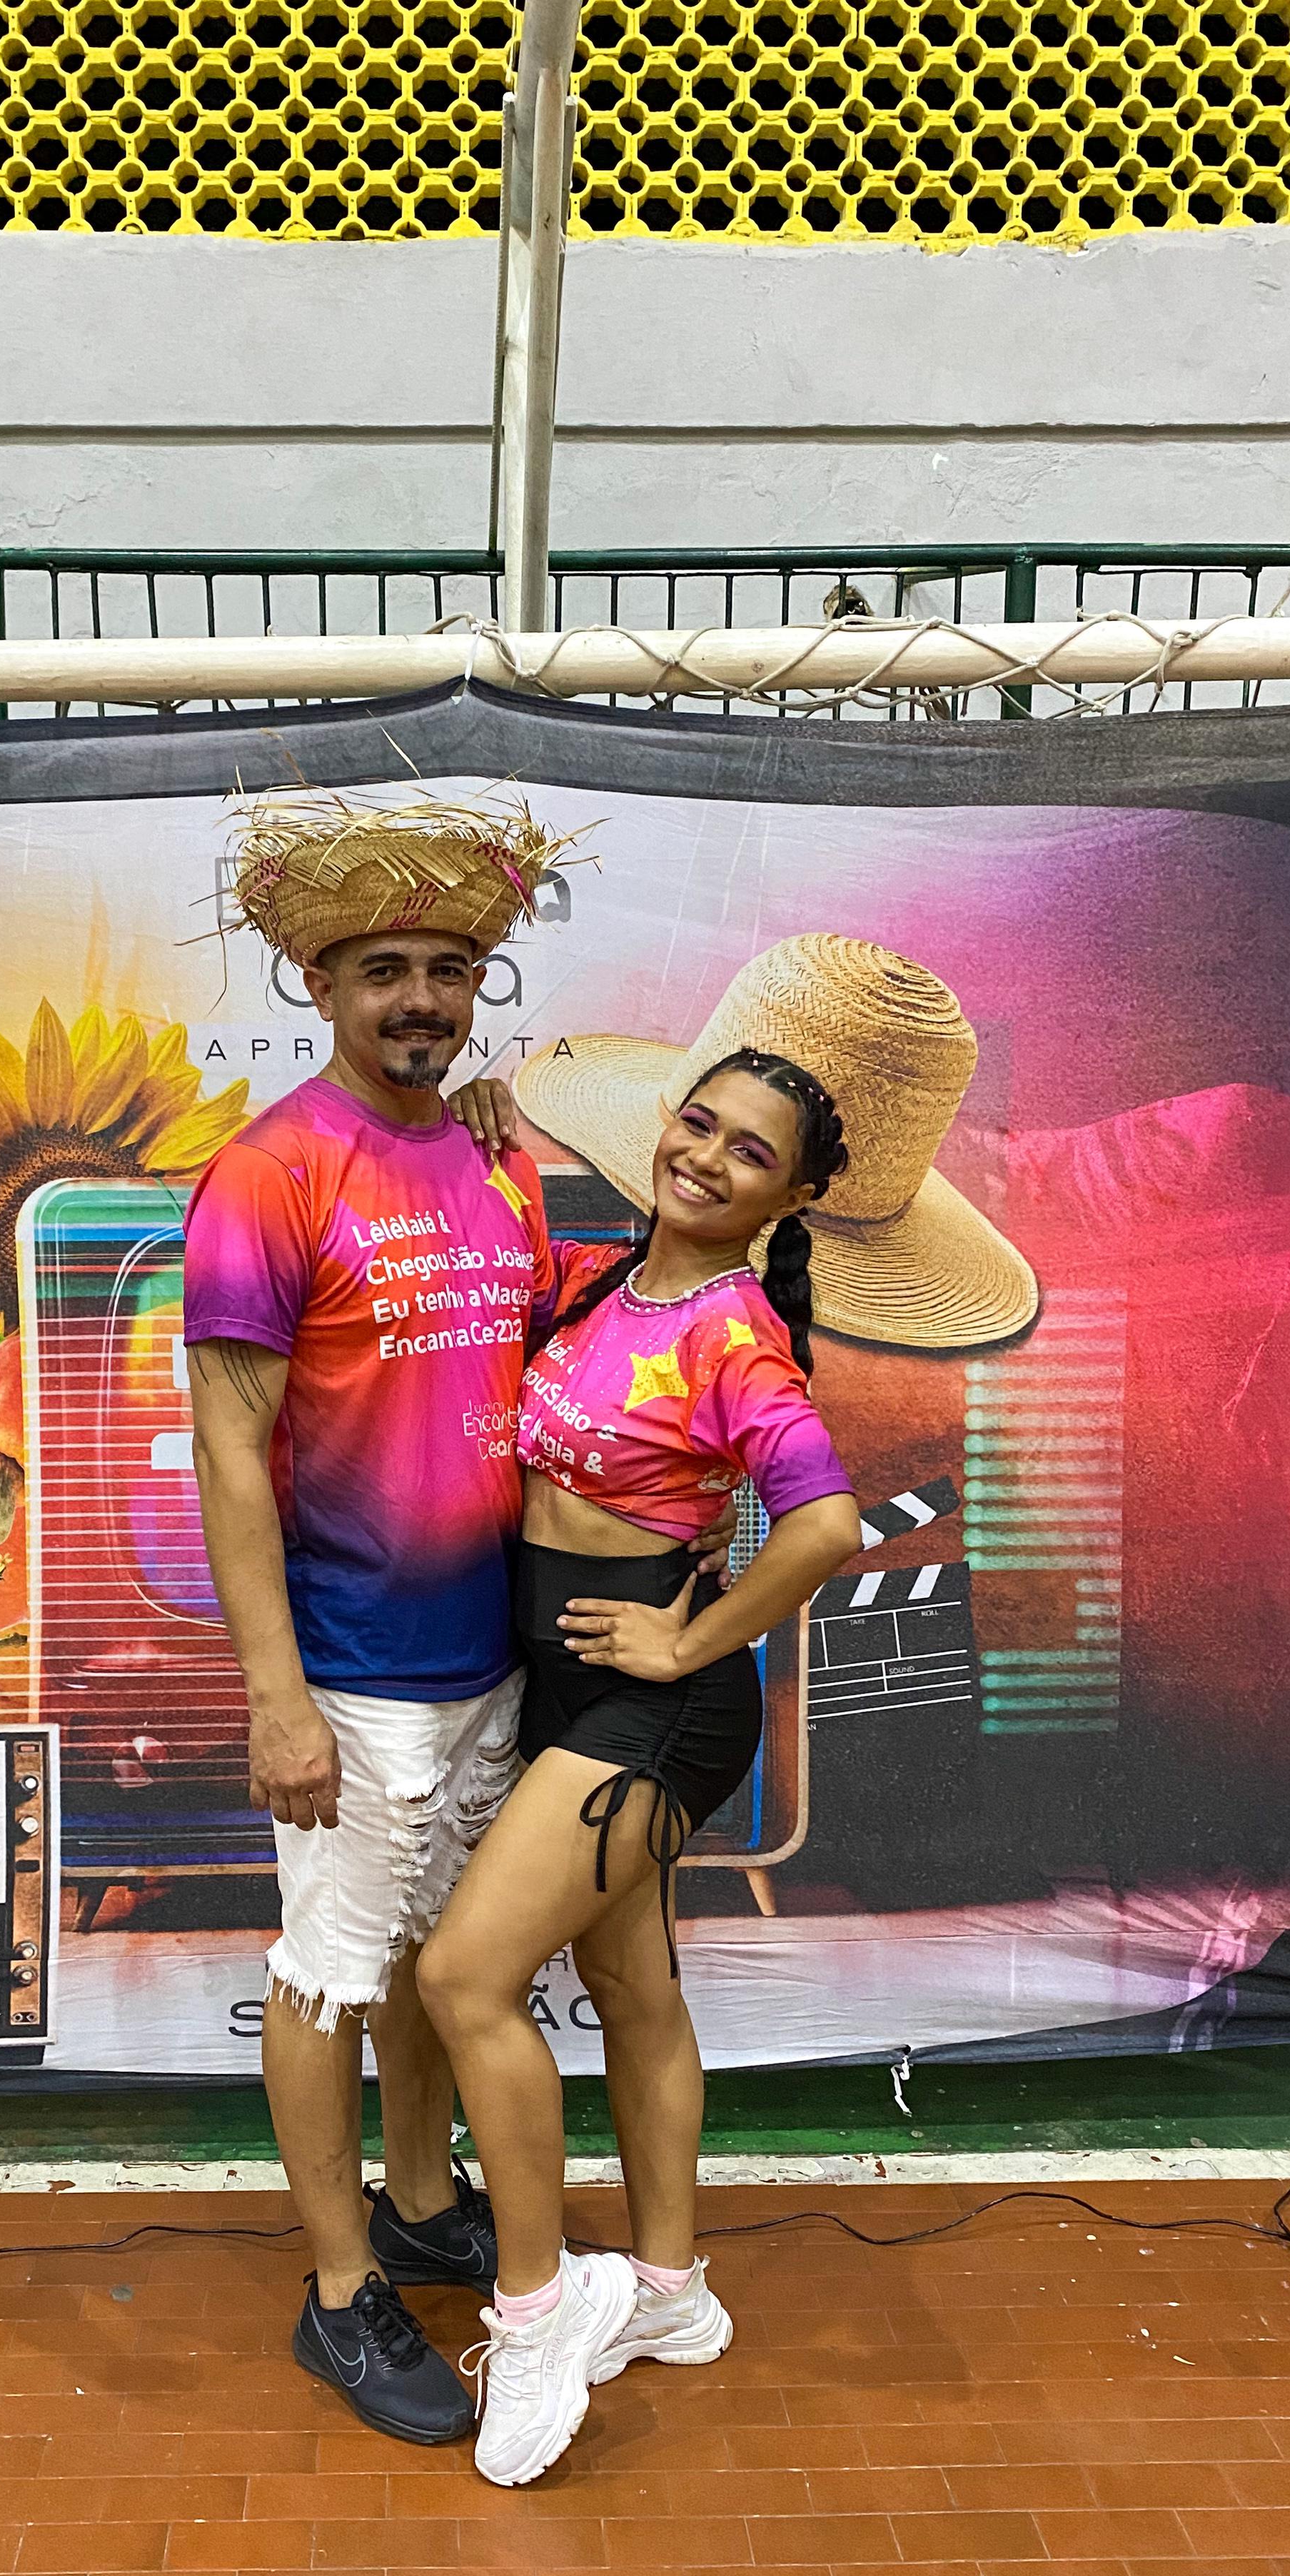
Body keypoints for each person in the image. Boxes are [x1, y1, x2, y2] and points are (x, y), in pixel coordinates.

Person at [181, 788, 733, 2446]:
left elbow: (549, 1368)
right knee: (328, 1976)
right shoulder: (267, 1177)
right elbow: (228, 1447)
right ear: (320, 986)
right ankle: (342, 2290)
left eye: (448, 970)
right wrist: (275, 1694)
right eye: (384, 972)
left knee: (438, 1961)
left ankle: (421, 2204)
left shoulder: (498, 1154)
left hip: (501, 1656)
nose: (421, 1000)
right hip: (354, 1672)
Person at [417, 1047, 864, 2485]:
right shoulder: (608, 1281)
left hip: (649, 1709)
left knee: (462, 1978)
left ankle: (538, 2311)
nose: (706, 1157)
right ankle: (670, 2291)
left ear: (787, 1197)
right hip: (569, 1689)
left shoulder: (735, 1334)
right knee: (629, 1984)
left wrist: (687, 1644)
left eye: (749, 1153)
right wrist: (480, 1134)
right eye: (698, 1123)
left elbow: (826, 1527)